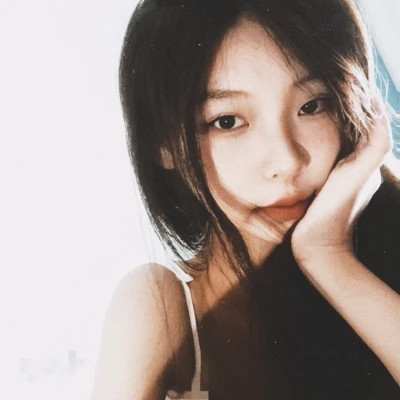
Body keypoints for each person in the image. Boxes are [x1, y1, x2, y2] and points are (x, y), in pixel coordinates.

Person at [92, 0, 400, 398]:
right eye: (228, 121)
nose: (287, 162)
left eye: (311, 106)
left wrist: (327, 256)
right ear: (163, 144)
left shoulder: (380, 266)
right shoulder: (161, 308)